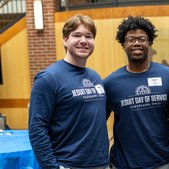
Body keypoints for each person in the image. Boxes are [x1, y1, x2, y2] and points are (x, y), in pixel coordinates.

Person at [28, 15, 109, 169]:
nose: (84, 41)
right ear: (65, 40)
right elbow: (37, 129)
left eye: (89, 36)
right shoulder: (48, 78)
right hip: (68, 164)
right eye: (77, 35)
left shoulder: (95, 77)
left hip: (101, 163)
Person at [104, 16, 169, 169]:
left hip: (163, 162)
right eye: (131, 39)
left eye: (142, 39)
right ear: (123, 44)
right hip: (124, 164)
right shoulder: (110, 83)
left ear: (149, 43)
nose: (136, 43)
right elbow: (96, 120)